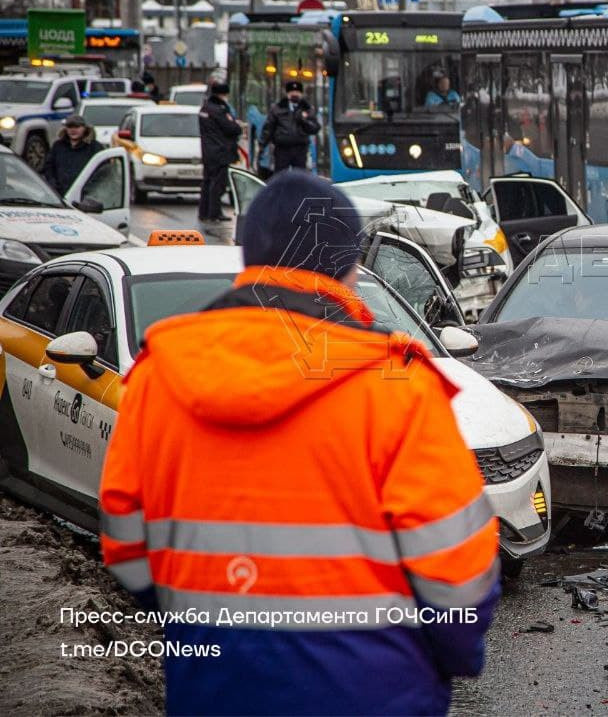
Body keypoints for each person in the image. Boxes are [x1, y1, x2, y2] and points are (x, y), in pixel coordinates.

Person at [98, 171, 499, 715]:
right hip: (376, 690)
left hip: (213, 689)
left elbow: (125, 541)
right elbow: (457, 572)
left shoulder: (155, 378)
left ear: (248, 257)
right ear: (348, 265)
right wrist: (452, 658)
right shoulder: (396, 383)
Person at [197, 82, 240, 222]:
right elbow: (232, 128)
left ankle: (204, 212)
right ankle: (214, 213)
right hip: (220, 152)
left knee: (207, 182)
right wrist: (236, 125)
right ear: (223, 94)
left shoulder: (205, 108)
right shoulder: (219, 110)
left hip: (208, 151)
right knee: (218, 184)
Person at [259, 79, 321, 174]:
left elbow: (315, 128)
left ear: (301, 94)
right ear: (287, 93)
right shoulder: (278, 108)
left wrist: (303, 120)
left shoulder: (307, 108)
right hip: (282, 149)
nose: (294, 94)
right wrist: (262, 145)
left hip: (300, 149)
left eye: (297, 92)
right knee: (280, 177)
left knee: (300, 178)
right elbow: (268, 128)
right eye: (292, 92)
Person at [42, 114, 104, 195]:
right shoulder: (58, 146)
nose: (73, 130)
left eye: (77, 127)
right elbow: (48, 167)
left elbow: (103, 171)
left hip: (87, 196)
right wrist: (53, 185)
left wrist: (89, 188)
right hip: (60, 195)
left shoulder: (95, 147)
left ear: (85, 128)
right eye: (70, 127)